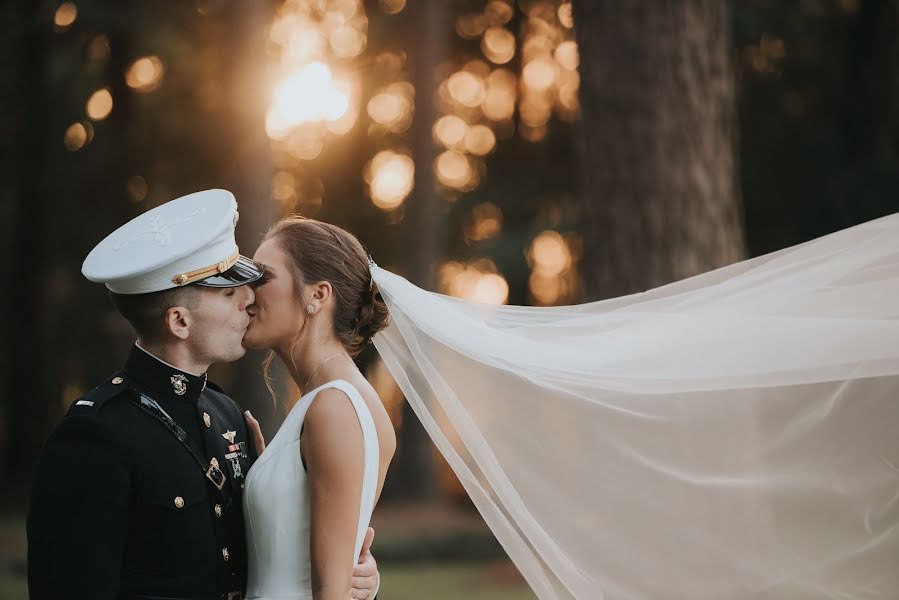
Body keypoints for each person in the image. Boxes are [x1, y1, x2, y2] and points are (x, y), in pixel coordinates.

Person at [26, 189, 381, 600]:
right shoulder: (97, 435)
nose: (250, 299)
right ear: (179, 321)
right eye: (229, 293)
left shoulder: (230, 418)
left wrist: (357, 578)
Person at [240, 216, 396, 600]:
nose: (247, 293)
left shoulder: (334, 407)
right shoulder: (336, 401)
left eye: (263, 277)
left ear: (317, 295)